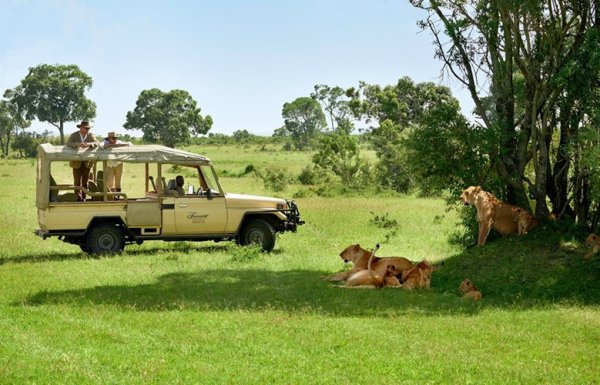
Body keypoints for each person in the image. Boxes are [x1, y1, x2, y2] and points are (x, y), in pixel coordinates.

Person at [66, 120, 99, 200]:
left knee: (85, 181)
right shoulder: (74, 135)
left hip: (87, 162)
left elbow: (97, 142)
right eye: (86, 128)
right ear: (81, 128)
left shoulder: (91, 135)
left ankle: (84, 197)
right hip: (76, 162)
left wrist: (89, 144)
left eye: (88, 128)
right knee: (77, 181)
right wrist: (77, 144)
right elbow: (68, 143)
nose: (88, 130)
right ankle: (77, 197)